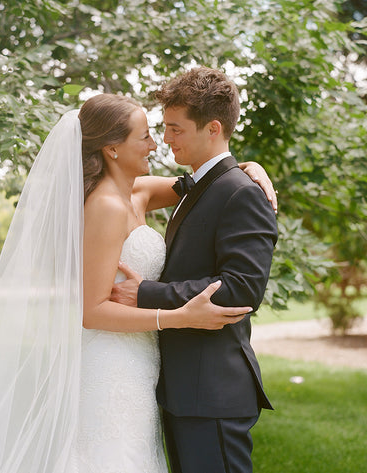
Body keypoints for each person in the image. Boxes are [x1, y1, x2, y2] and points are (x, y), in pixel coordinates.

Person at [0, 92, 275, 473]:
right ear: (112, 149)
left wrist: (251, 167)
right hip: (113, 361)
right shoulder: (106, 206)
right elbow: (91, 311)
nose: (157, 144)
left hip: (145, 362)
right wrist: (178, 316)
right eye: (145, 137)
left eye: (164, 131)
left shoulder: (139, 191)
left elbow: (209, 180)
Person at [111, 67, 278, 473]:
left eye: (175, 129)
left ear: (213, 128)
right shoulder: (199, 186)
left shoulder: (241, 193)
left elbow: (242, 289)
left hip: (213, 390)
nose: (165, 139)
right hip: (184, 388)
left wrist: (147, 294)